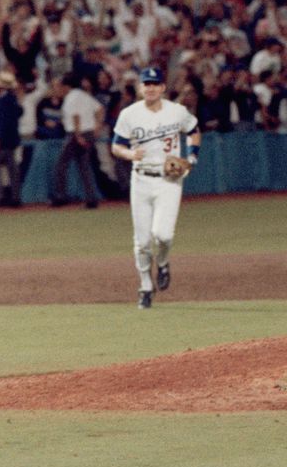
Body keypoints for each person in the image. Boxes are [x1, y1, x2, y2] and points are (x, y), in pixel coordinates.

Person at [109, 67, 202, 310]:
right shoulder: (129, 114)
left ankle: (162, 262)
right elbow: (116, 146)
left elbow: (194, 131)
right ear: (140, 88)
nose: (150, 88)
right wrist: (130, 153)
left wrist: (192, 158)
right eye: (146, 84)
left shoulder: (176, 111)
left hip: (169, 180)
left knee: (164, 235)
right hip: (140, 180)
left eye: (154, 84)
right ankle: (145, 287)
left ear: (162, 88)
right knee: (141, 241)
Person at [51, 74, 104, 209]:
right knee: (84, 166)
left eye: (60, 86)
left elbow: (75, 116)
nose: (58, 89)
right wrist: (98, 126)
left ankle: (60, 196)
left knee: (61, 164)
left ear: (66, 86)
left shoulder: (71, 98)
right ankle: (91, 199)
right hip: (89, 132)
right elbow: (100, 109)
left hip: (76, 134)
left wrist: (78, 135)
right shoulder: (83, 94)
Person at [0, 72, 24, 206]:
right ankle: (16, 197)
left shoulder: (3, 101)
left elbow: (1, 121)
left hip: (2, 140)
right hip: (12, 139)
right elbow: (20, 112)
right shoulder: (13, 99)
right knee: (13, 169)